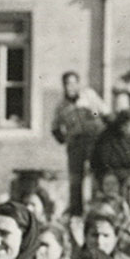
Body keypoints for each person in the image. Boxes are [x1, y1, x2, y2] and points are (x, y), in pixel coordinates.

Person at [52, 72, 109, 217]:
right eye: (66, 84)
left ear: (78, 84)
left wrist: (92, 112)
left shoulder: (89, 96)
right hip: (76, 143)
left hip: (94, 141)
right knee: (75, 178)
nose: (69, 87)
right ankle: (76, 211)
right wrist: (65, 139)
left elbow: (104, 113)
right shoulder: (61, 106)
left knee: (97, 175)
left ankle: (98, 208)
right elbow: (55, 127)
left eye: (72, 83)